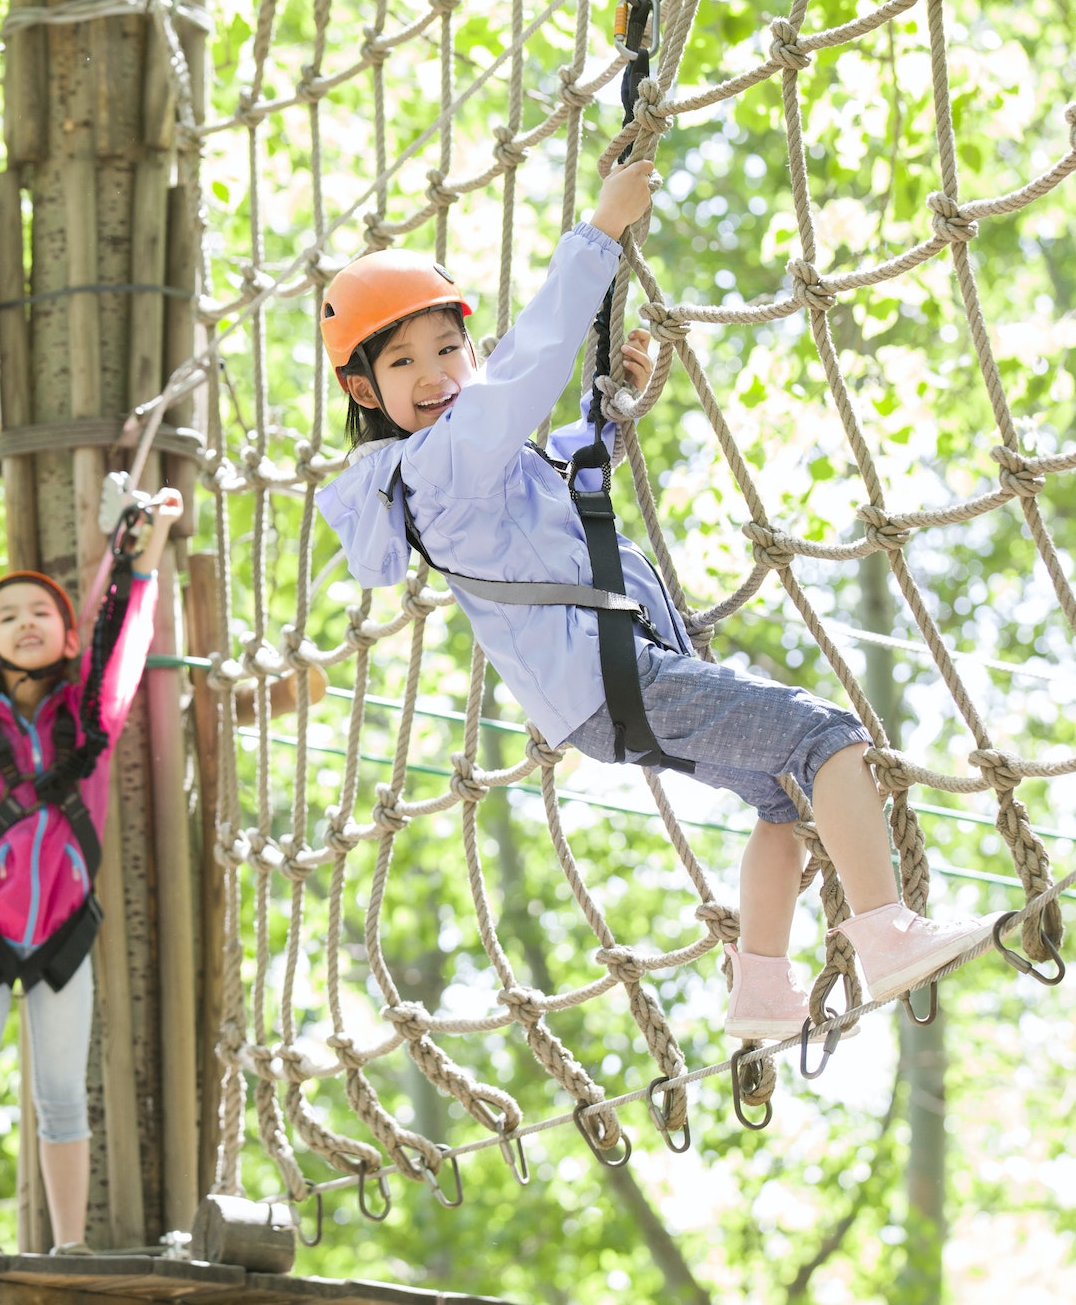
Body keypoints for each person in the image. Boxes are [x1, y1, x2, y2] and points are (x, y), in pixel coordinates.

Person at [314, 161, 987, 1041]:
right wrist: (601, 232)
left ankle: (762, 990)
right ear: (367, 391)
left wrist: (611, 409)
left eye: (449, 348)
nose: (437, 374)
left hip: (611, 690)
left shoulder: (466, 461)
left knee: (780, 803)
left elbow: (557, 476)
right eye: (405, 363)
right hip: (615, 678)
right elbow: (526, 371)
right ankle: (886, 933)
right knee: (828, 737)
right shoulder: (435, 464)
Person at [0, 488, 183, 1255]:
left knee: (64, 1095)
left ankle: (69, 1244)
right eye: (8, 617)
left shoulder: (88, 718)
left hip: (63, 932)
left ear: (64, 634)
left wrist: (149, 539)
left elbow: (118, 635)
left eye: (41, 612)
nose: (26, 623)